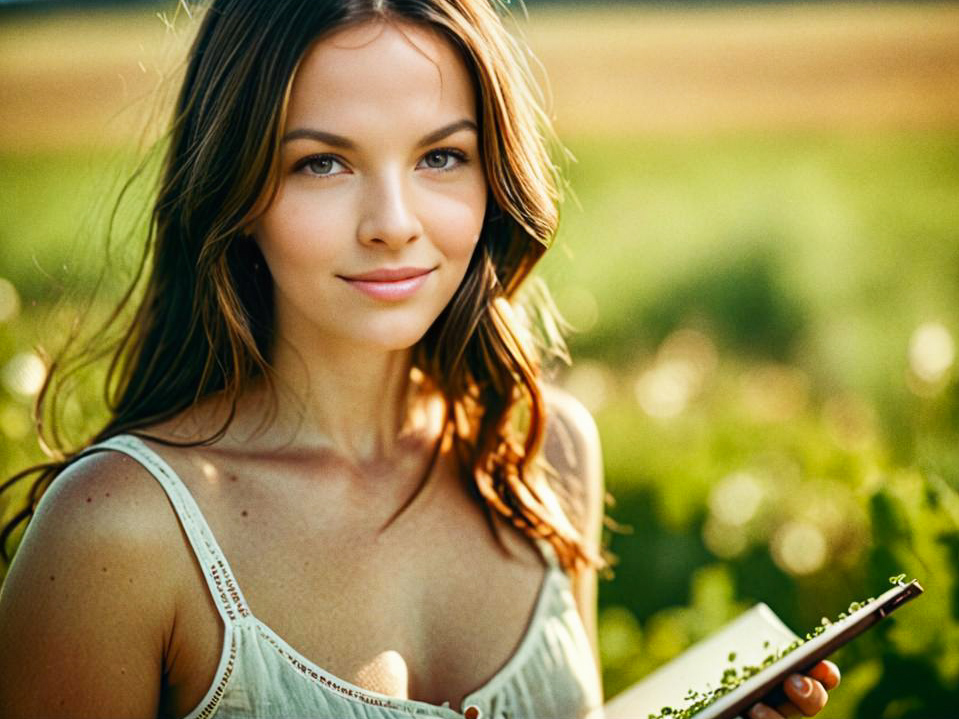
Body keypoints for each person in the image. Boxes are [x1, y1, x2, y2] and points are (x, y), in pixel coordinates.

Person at [0, 1, 839, 717]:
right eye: (321, 162)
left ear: (492, 175)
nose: (393, 222)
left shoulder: (544, 456)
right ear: (235, 186)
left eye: (441, 155)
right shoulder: (119, 533)